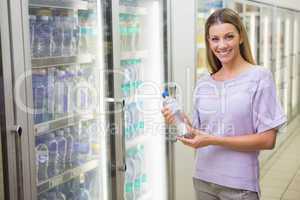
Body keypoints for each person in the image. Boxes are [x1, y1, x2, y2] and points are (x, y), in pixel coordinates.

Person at [162, 8, 287, 200]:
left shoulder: (259, 77)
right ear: (208, 41)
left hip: (239, 185)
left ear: (241, 37)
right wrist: (180, 121)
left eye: (229, 37)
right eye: (215, 39)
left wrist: (214, 140)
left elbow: (267, 140)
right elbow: (197, 136)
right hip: (203, 180)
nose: (222, 45)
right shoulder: (204, 82)